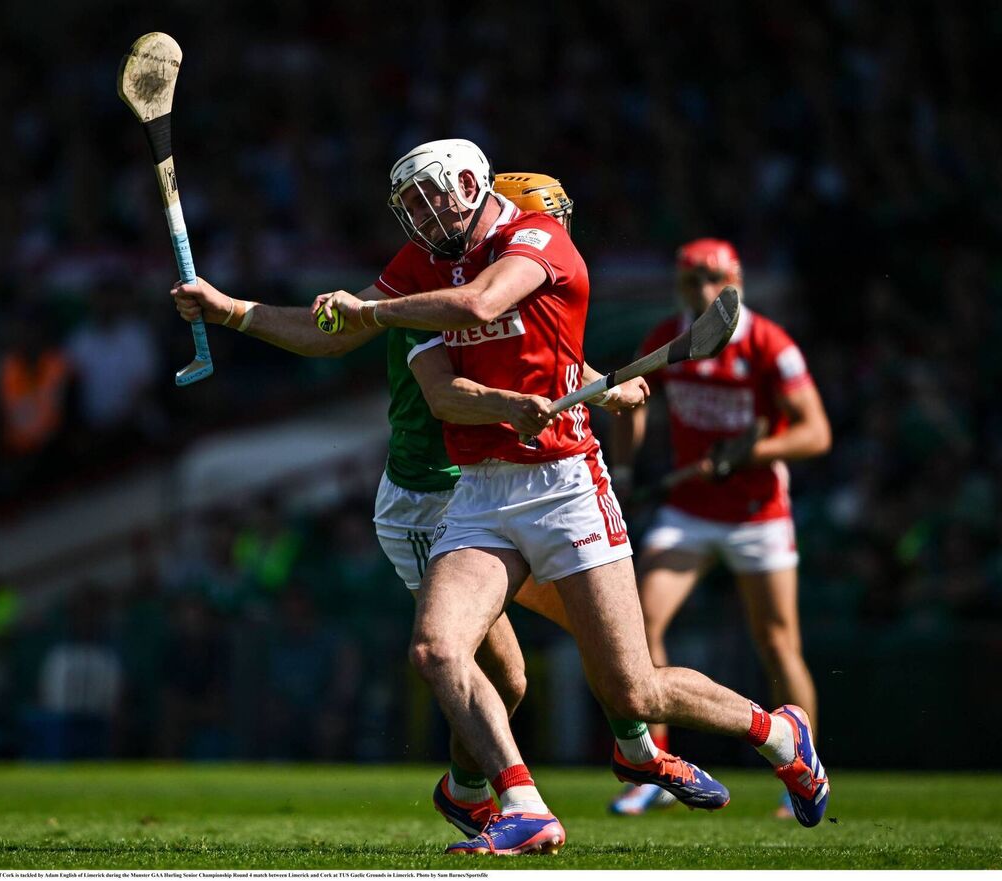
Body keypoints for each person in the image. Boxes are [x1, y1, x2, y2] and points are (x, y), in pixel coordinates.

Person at [314, 139, 830, 854]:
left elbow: (481, 302)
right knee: (436, 648)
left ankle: (780, 732)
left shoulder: (535, 239)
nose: (425, 216)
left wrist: (374, 314)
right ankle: (522, 804)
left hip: (564, 486)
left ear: (472, 185)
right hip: (482, 493)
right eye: (413, 206)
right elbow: (442, 395)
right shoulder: (418, 273)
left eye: (435, 196)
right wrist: (504, 402)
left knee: (635, 691)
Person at [170, 164, 679, 842]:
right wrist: (230, 309)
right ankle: (511, 787)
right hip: (432, 497)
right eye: (544, 219)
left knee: (599, 653)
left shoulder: (513, 275)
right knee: (502, 672)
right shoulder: (433, 282)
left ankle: (521, 777)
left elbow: (534, 354)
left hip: (498, 490)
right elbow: (348, 338)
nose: (552, 236)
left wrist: (600, 386)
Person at [606, 238, 833, 817]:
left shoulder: (768, 345)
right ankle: (655, 768)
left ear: (736, 281)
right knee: (641, 629)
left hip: (759, 514)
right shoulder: (667, 338)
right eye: (692, 281)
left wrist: (744, 458)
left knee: (779, 643)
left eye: (715, 280)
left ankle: (800, 773)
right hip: (689, 512)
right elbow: (634, 402)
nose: (704, 292)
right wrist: (626, 470)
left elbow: (815, 434)